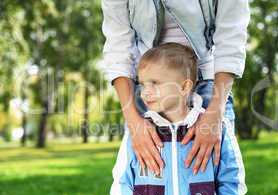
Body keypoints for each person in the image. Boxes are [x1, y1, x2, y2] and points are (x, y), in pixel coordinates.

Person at [101, 0, 250, 179]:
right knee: (147, 176)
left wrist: (215, 112)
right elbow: (118, 47)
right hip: (148, 84)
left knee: (214, 172)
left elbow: (231, 36)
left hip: (210, 83)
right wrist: (133, 120)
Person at [110, 43, 247, 195]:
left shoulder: (218, 129)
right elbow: (122, 182)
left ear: (184, 87)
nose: (145, 92)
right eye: (142, 85)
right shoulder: (138, 133)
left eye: (154, 83)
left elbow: (231, 180)